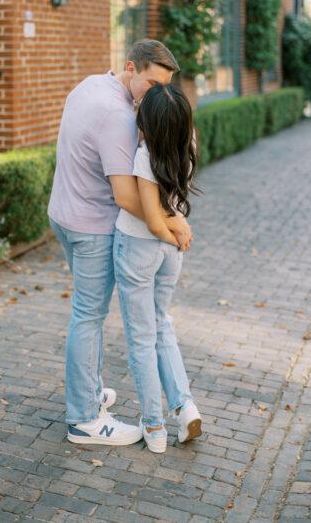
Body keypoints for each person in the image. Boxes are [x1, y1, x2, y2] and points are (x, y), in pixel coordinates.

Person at [47, 40, 192, 446]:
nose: (156, 95)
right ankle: (85, 419)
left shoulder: (93, 84)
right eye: (151, 84)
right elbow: (126, 197)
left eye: (164, 86)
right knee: (89, 318)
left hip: (64, 214)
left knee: (86, 314)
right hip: (91, 228)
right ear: (130, 68)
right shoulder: (117, 115)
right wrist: (173, 220)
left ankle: (89, 393)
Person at [113, 83, 202, 453]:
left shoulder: (145, 155)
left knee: (141, 338)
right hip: (171, 254)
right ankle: (184, 407)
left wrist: (170, 230)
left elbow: (151, 219)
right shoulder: (188, 145)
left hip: (139, 248)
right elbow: (168, 216)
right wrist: (178, 231)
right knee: (161, 324)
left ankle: (153, 426)